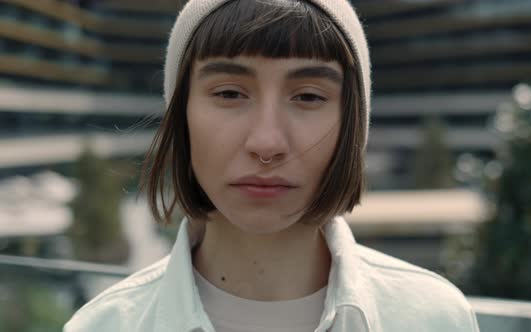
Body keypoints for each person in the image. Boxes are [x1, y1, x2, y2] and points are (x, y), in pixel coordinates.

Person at [64, 0, 480, 331]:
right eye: (229, 93)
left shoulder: (435, 318)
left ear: (352, 125)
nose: (266, 143)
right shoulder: (103, 325)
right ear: (182, 115)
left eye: (308, 97)